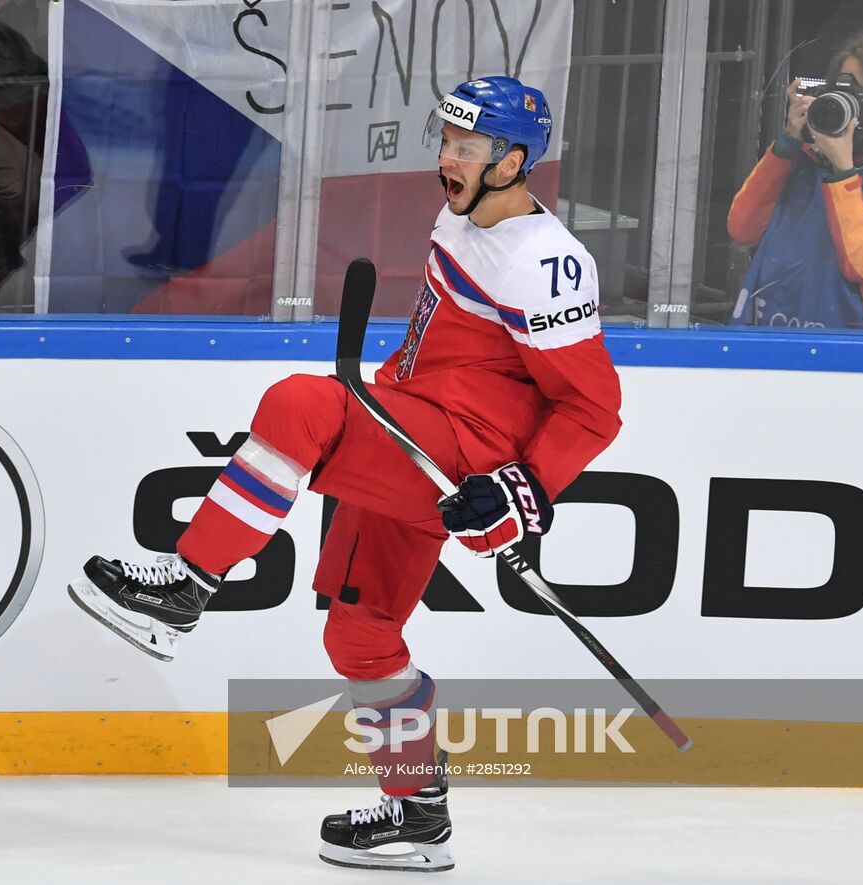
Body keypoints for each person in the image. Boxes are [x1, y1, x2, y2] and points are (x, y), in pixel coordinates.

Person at [69, 76, 622, 872]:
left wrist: (525, 489)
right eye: (446, 141)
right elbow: (446, 345)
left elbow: (593, 409)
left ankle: (185, 587)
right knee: (361, 633)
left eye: (467, 147)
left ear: (513, 161)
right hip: (414, 426)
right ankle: (418, 815)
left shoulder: (548, 263)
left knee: (300, 405)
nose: (447, 158)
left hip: (460, 453)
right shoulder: (462, 213)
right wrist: (393, 392)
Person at [728, 33, 863, 330]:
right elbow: (741, 229)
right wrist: (786, 145)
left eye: (859, 96)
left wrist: (843, 172)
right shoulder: (802, 165)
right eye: (839, 91)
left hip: (848, 349)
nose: (845, 103)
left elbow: (861, 265)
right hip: (772, 336)